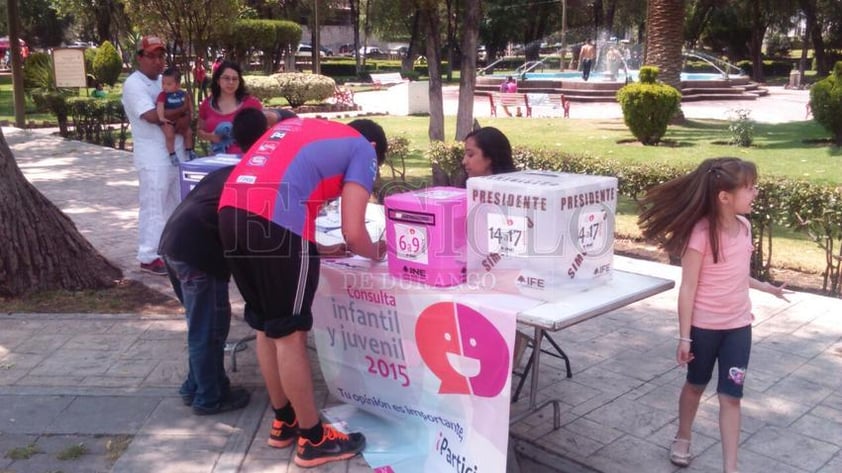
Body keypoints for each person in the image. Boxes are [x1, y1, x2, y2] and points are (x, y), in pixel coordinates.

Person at [218, 117, 388, 468]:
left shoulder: (310, 129)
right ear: (375, 150)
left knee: (266, 325)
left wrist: (313, 247)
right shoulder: (363, 150)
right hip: (274, 222)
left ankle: (285, 421)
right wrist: (378, 253)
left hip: (231, 211)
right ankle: (313, 440)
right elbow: (355, 232)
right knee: (291, 333)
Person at [637, 157, 792, 473]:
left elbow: (736, 274)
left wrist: (766, 287)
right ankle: (683, 435)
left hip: (738, 329)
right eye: (749, 188)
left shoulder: (745, 227)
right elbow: (688, 288)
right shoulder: (700, 235)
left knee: (731, 397)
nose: (755, 193)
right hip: (704, 329)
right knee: (695, 385)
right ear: (724, 196)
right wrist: (684, 336)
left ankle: (730, 468)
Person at [159, 107, 297, 416]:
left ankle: (196, 385)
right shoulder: (263, 176)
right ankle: (210, 398)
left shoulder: (245, 167)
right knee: (208, 329)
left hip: (175, 244)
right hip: (196, 254)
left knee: (203, 325)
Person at [121, 35, 183, 276]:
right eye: (151, 56)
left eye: (161, 56)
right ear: (139, 58)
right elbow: (152, 116)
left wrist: (178, 116)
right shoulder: (134, 84)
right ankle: (149, 255)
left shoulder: (163, 81)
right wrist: (184, 111)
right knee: (154, 205)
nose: (158, 61)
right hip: (153, 157)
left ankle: (171, 250)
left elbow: (171, 113)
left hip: (174, 153)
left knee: (176, 203)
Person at [196, 60, 262, 155]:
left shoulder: (252, 104)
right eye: (226, 78)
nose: (231, 82)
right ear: (218, 80)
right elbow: (199, 131)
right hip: (217, 161)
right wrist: (211, 136)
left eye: (235, 79)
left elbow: (264, 132)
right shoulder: (206, 104)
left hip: (246, 161)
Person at [156, 67, 197, 164]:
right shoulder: (163, 95)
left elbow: (189, 104)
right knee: (169, 135)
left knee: (189, 133)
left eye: (169, 84)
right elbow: (160, 106)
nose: (165, 86)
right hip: (168, 121)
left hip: (181, 119)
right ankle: (172, 154)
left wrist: (192, 113)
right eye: (163, 83)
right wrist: (161, 117)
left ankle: (189, 150)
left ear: (178, 85)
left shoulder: (183, 94)